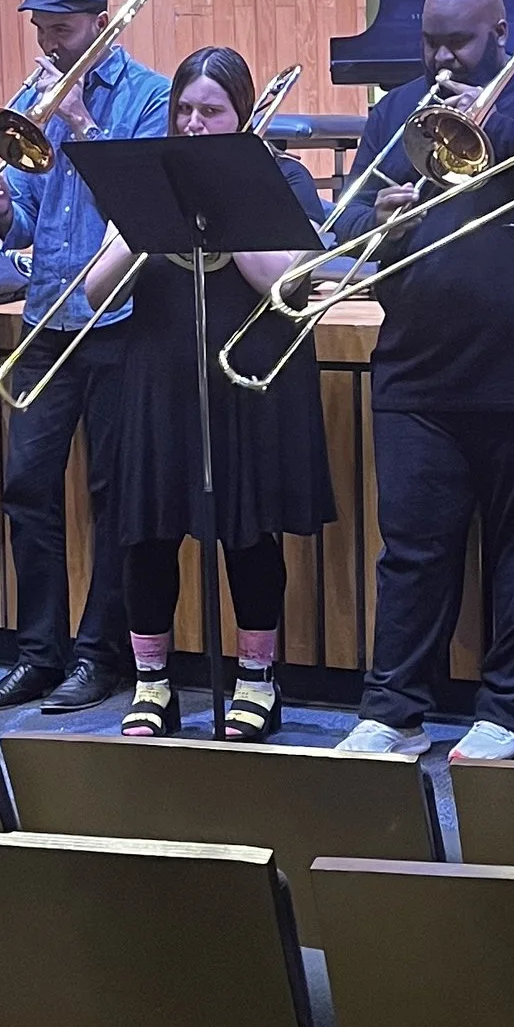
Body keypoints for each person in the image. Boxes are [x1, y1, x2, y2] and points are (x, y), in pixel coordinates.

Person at [332, 0, 514, 764]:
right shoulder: (396, 113)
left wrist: (500, 133)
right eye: (428, 41)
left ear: (498, 32)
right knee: (413, 550)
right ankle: (395, 707)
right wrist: (375, 217)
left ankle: (507, 709)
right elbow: (344, 217)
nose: (438, 59)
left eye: (454, 42)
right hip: (422, 369)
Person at [71, 48, 334, 742]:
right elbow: (97, 290)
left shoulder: (283, 177)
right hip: (160, 374)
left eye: (210, 110)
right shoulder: (147, 182)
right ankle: (152, 684)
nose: (192, 123)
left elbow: (286, 285)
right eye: (183, 110)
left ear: (241, 114)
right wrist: (146, 218)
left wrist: (228, 197)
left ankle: (256, 680)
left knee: (248, 534)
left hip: (244, 377)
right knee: (148, 534)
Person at [0, 0, 171, 716]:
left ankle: (102, 655)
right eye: (39, 30)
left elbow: (141, 197)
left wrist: (84, 122)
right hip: (46, 315)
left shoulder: (147, 95)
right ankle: (37, 652)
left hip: (119, 320)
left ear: (97, 22)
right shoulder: (31, 100)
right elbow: (24, 222)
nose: (47, 43)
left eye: (59, 28)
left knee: (111, 495)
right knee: (28, 485)